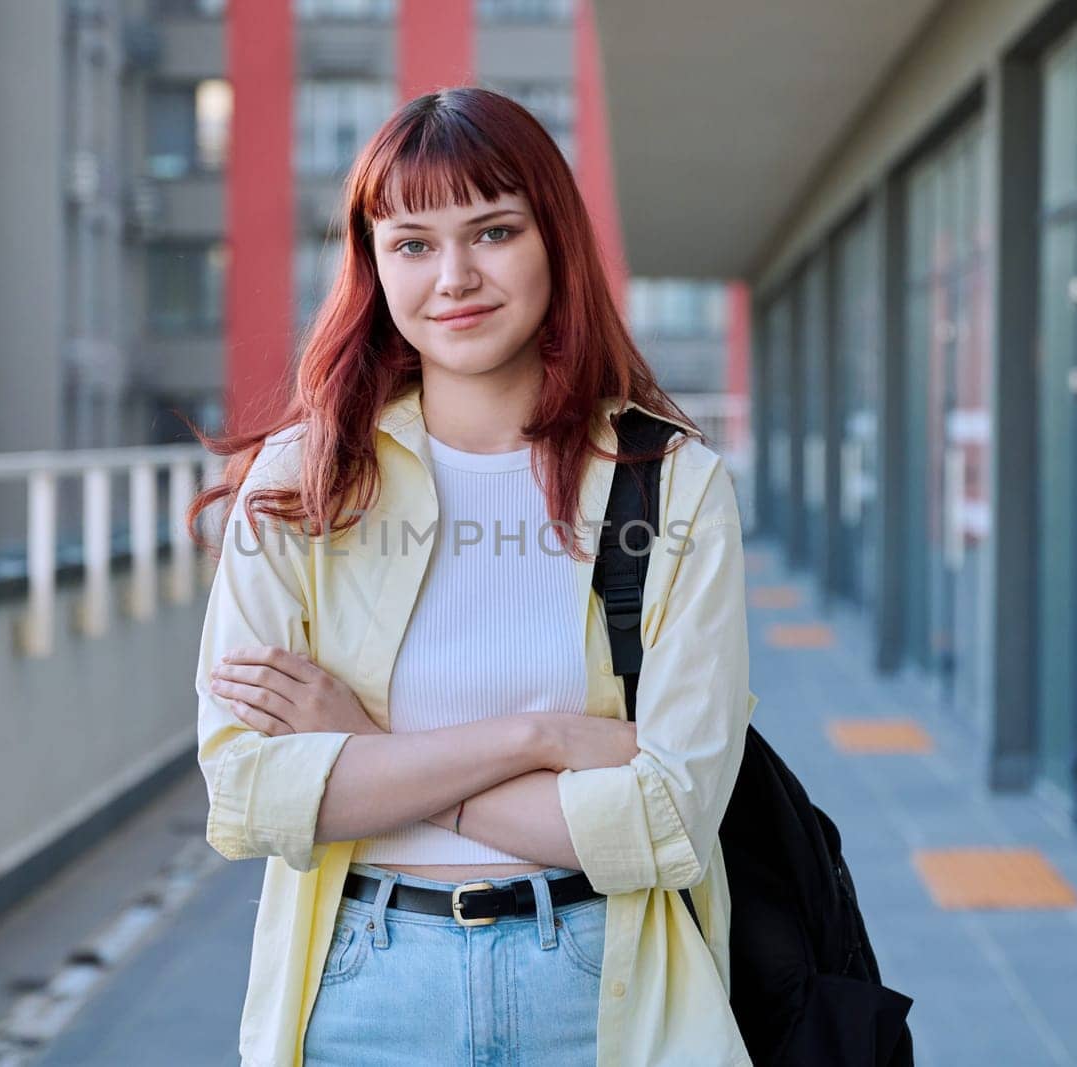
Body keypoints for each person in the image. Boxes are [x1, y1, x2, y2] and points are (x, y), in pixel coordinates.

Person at [185, 86, 756, 1066]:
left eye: (492, 231)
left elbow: (665, 820)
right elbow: (246, 793)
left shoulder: (670, 489)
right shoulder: (302, 482)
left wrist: (369, 750)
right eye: (411, 242)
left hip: (600, 984)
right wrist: (534, 739)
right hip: (365, 991)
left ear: (553, 241)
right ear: (372, 264)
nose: (453, 277)